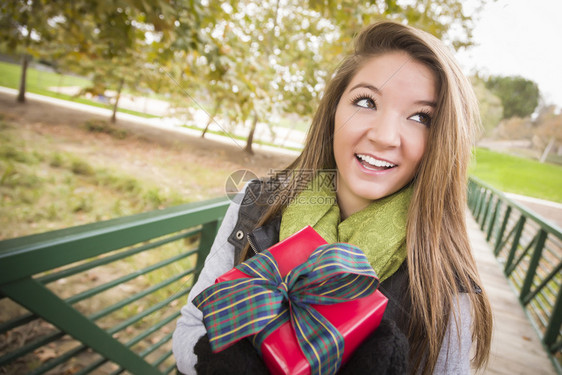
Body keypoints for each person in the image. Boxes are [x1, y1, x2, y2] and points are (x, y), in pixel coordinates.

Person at [173, 21, 493, 374]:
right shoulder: (255, 207)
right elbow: (190, 327)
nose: (385, 136)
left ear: (442, 142)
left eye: (420, 117)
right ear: (334, 111)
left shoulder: (444, 280)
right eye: (366, 101)